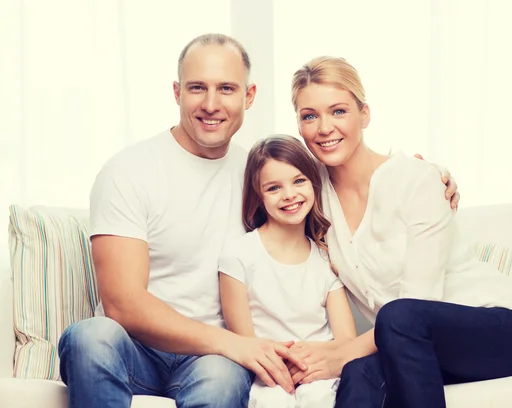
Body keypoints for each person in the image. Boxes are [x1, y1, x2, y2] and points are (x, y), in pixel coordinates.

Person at [56, 32, 458, 408]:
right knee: (90, 337)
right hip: (141, 347)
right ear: (177, 93)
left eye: (226, 88)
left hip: (214, 359)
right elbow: (123, 304)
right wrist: (237, 345)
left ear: (248, 96)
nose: (211, 104)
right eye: (197, 87)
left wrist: (427, 174)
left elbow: (327, 178)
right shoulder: (129, 171)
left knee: (220, 380)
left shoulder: (259, 174)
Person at [281, 56, 512, 408]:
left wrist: (338, 355)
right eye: (309, 116)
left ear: (365, 114)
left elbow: (421, 301)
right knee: (359, 375)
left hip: (501, 332)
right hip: (410, 345)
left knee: (398, 314)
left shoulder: (416, 180)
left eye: (338, 111)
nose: (324, 127)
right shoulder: (312, 196)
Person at [219, 135, 357, 408]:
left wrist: (310, 359)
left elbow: (346, 341)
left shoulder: (326, 257)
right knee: (272, 401)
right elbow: (244, 341)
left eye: (298, 181)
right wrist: (283, 362)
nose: (289, 195)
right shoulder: (238, 255)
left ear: (313, 184)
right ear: (258, 196)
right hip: (265, 372)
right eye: (273, 188)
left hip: (319, 371)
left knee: (318, 397)